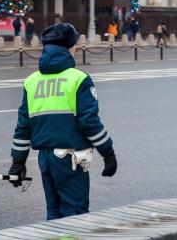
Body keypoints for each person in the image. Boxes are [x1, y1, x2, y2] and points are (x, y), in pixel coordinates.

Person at [7, 23, 117, 220]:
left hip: (45, 159)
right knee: (74, 216)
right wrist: (107, 152)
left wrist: (18, 162)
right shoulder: (78, 79)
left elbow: (23, 126)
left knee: (54, 213)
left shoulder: (32, 81)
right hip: (70, 159)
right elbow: (89, 121)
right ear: (71, 47)